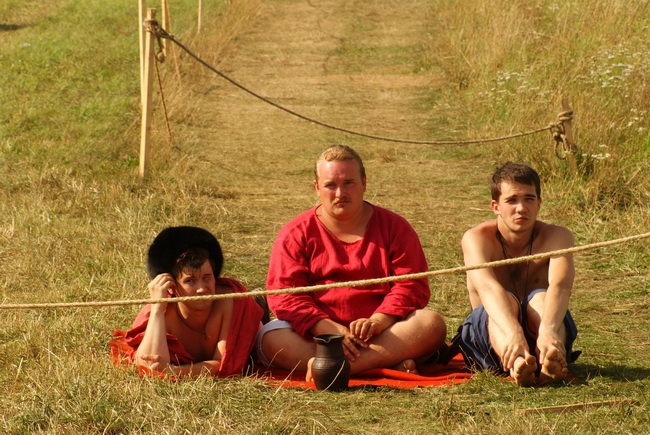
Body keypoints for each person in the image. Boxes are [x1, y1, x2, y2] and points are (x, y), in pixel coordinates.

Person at [256, 144, 447, 379]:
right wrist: (330, 330)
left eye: (349, 183)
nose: (340, 193)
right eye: (330, 185)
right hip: (316, 337)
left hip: (382, 333)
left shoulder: (395, 227)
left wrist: (378, 321)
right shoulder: (295, 233)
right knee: (270, 338)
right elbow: (286, 296)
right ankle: (382, 363)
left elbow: (411, 286)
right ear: (317, 188)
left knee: (430, 324)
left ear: (364, 183)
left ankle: (329, 369)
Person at [458, 162, 579, 387]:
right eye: (512, 200)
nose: (521, 208)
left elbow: (561, 286)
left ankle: (549, 358)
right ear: (495, 206)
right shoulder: (477, 238)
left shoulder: (558, 236)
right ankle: (518, 364)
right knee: (505, 299)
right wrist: (513, 331)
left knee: (540, 297)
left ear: (539, 203)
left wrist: (548, 329)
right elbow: (487, 287)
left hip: (546, 331)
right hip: (492, 336)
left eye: (529, 199)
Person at [110, 226, 264, 378]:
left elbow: (223, 364)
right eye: (190, 280)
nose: (201, 289)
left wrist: (175, 371)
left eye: (207, 277)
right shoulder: (162, 312)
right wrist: (157, 308)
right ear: (171, 286)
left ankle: (257, 305)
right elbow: (147, 365)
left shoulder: (229, 300)